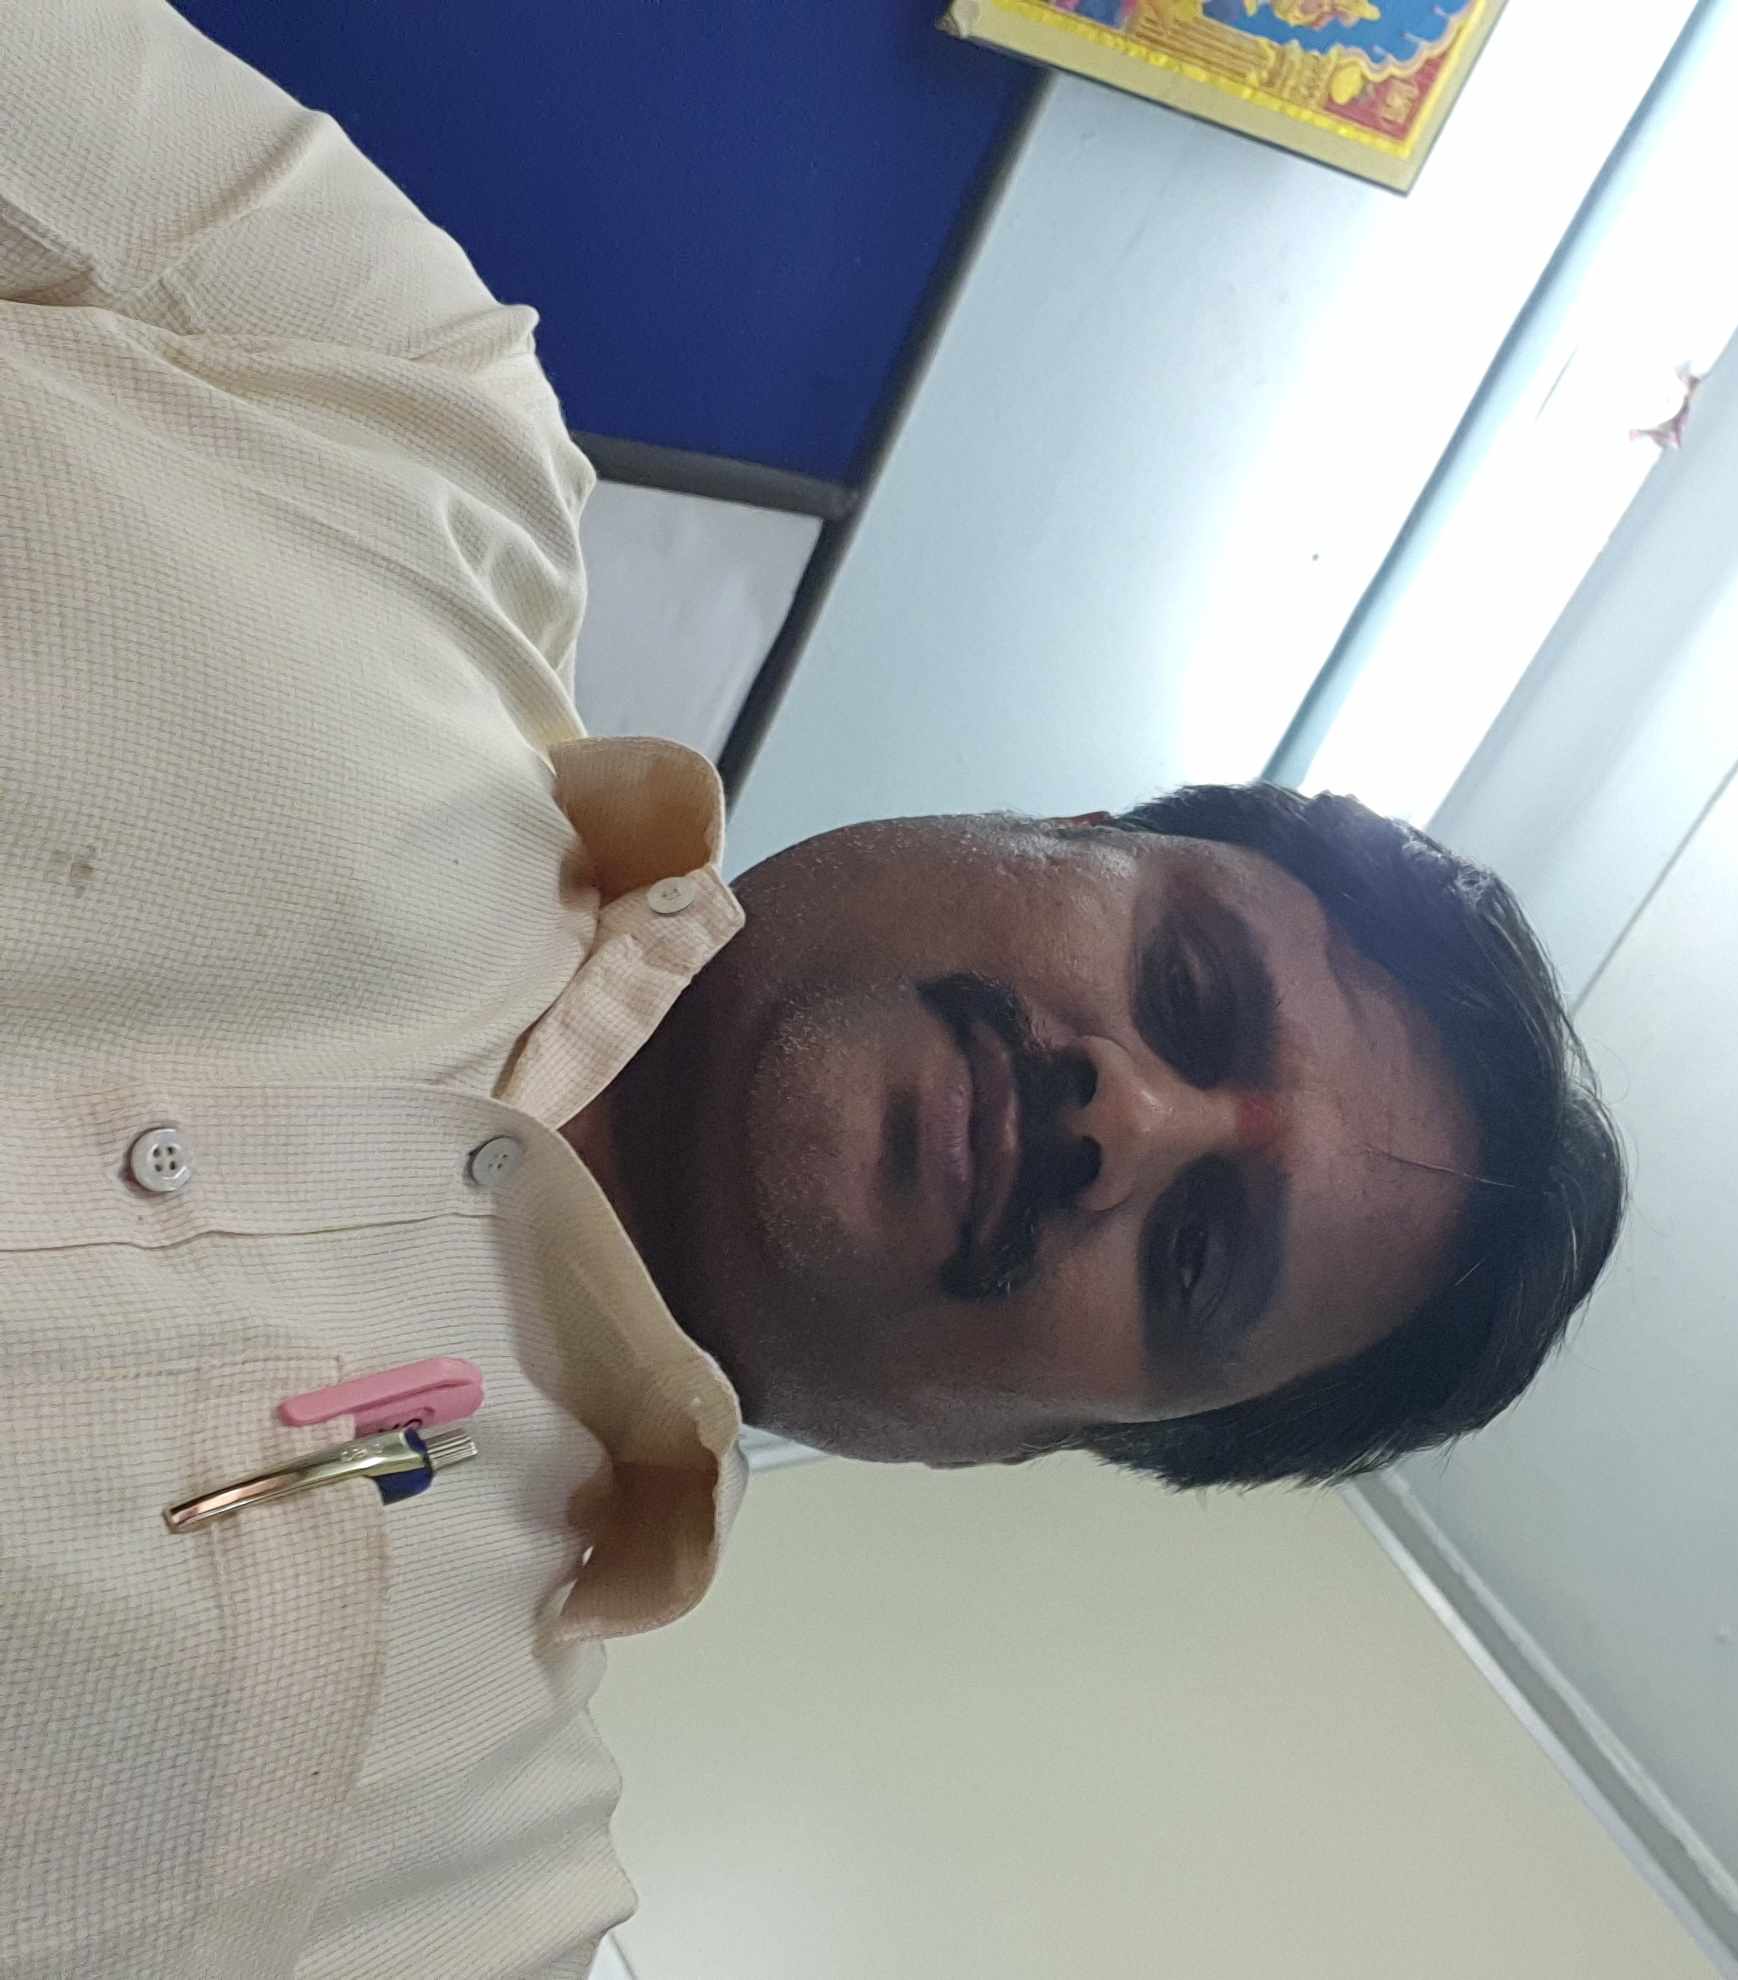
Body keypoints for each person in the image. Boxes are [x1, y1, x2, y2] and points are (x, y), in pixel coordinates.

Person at [0, 2, 1624, 1975]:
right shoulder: (400, 407)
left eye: (1200, 1254)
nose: (1130, 1118)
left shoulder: (443, 1892)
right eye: (1193, 988)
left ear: (1028, 1445)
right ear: (1060, 828)